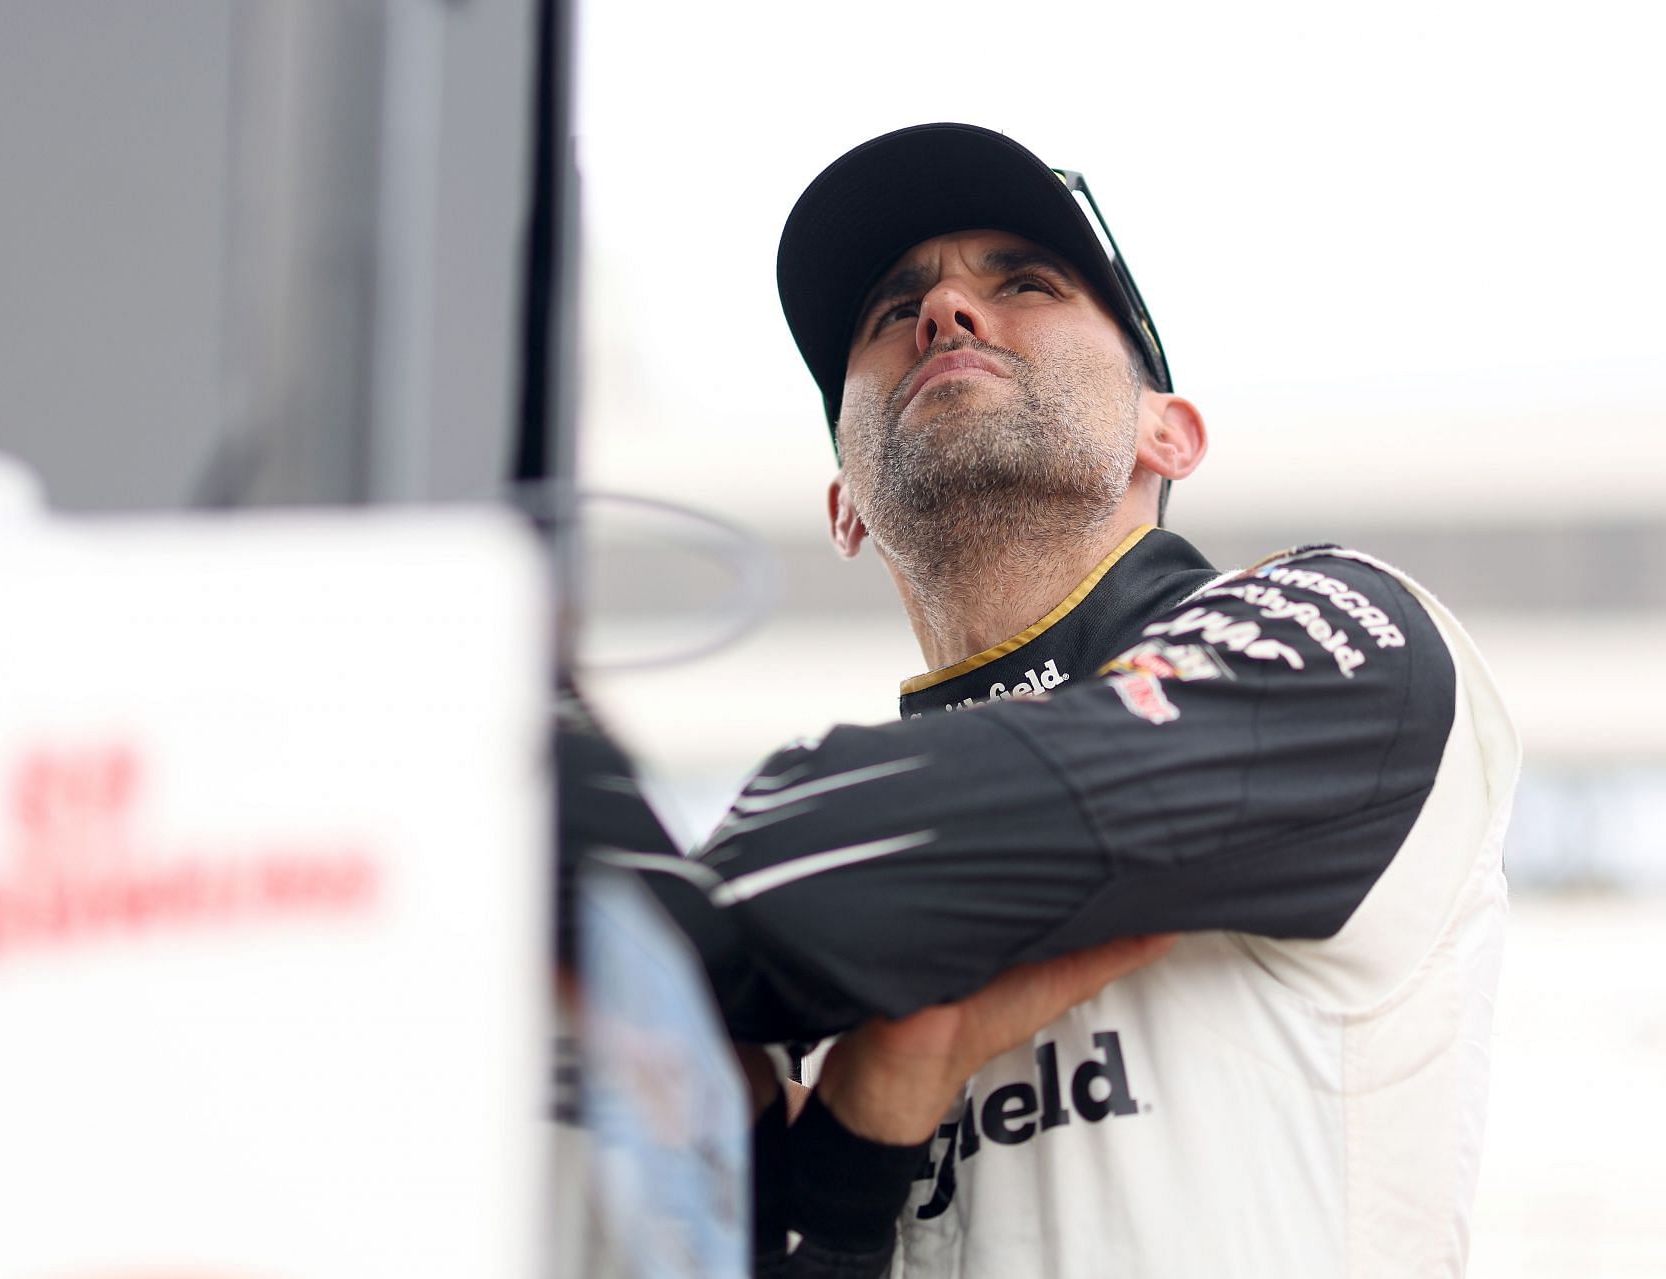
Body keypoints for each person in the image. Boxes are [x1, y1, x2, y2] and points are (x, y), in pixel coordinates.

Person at [623, 122, 1520, 1277]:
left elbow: (817, 871)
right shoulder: (816, 924)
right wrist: (844, 1166)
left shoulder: (1346, 634)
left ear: (1170, 432)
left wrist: (683, 928)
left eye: (1026, 282)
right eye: (891, 311)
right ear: (845, 503)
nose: (945, 312)